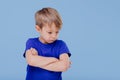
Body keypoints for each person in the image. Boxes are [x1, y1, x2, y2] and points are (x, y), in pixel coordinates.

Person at [23, 7, 71, 80]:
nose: (54, 36)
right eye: (50, 32)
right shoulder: (31, 42)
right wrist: (55, 60)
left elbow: (64, 66)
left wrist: (37, 60)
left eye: (57, 32)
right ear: (38, 29)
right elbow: (31, 61)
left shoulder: (61, 45)